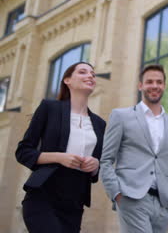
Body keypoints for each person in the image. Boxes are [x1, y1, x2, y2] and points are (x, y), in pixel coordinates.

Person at [15, 62, 106, 233]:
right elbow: (23, 151)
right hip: (43, 197)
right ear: (67, 80)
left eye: (93, 74)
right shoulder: (49, 108)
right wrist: (59, 157)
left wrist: (95, 166)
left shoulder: (100, 124)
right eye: (83, 72)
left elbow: (98, 167)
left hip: (74, 204)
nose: (90, 76)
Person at [100, 64, 168, 233]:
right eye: (150, 81)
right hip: (132, 198)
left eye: (159, 82)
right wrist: (116, 193)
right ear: (140, 86)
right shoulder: (121, 116)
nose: (155, 86)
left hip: (164, 204)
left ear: (164, 86)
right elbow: (106, 160)